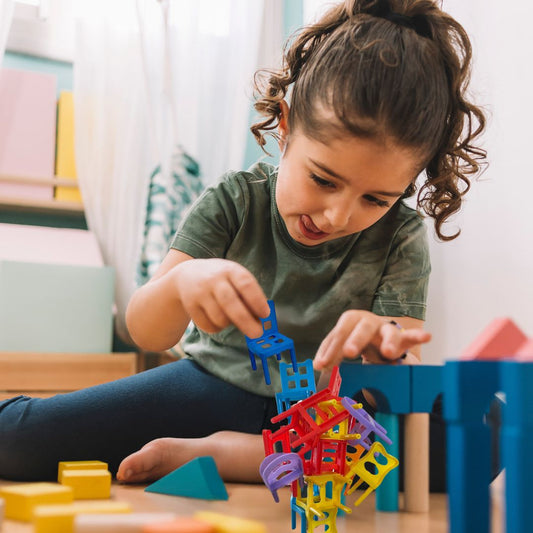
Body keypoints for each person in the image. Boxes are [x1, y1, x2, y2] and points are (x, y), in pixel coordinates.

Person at [0, 0, 487, 489]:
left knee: (485, 433)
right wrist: (183, 283)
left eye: (377, 198)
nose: (338, 216)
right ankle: (271, 458)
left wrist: (386, 352)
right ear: (286, 124)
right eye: (322, 179)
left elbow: (398, 381)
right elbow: (145, 332)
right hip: (212, 388)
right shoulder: (235, 200)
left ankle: (230, 454)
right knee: (14, 440)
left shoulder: (401, 235)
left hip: (326, 420)